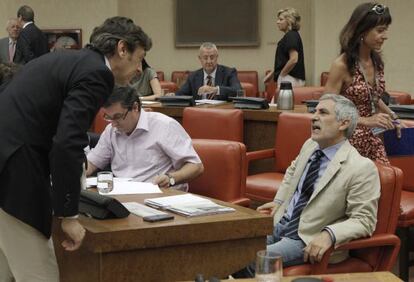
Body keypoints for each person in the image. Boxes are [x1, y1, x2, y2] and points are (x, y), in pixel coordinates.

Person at [0, 16, 151, 281]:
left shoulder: (65, 61)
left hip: (7, 163)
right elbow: (67, 142)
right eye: (139, 58)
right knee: (40, 275)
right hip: (15, 175)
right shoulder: (97, 73)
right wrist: (68, 215)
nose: (140, 69)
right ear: (122, 49)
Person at [234, 94, 380, 277]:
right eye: (314, 111)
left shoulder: (361, 167)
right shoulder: (310, 145)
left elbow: (364, 220)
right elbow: (291, 172)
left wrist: (329, 235)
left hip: (307, 237)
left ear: (343, 123)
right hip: (281, 223)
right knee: (231, 250)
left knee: (250, 262)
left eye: (323, 113)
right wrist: (280, 201)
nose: (313, 117)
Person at [324, 2, 402, 165]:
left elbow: (373, 97)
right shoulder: (342, 65)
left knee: (386, 183)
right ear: (362, 31)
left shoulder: (377, 62)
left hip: (373, 139)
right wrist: (366, 120)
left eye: (386, 29)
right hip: (346, 142)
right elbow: (326, 108)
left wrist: (393, 117)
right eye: (380, 30)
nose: (385, 35)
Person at [86, 86, 204, 191]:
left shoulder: (164, 125)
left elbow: (196, 166)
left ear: (135, 107)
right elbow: (91, 164)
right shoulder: (111, 130)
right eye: (108, 117)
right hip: (122, 194)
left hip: (161, 195)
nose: (113, 124)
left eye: (118, 117)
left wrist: (171, 178)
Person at [175, 42, 242, 100]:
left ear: (217, 57)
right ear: (200, 58)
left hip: (221, 112)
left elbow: (238, 91)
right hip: (199, 113)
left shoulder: (229, 73)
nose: (209, 61)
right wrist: (172, 96)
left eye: (212, 57)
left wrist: (216, 89)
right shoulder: (193, 77)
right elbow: (180, 95)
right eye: (205, 58)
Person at [263, 7, 305, 88]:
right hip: (289, 78)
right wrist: (273, 73)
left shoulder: (291, 35)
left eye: (281, 19)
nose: (277, 22)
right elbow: (284, 61)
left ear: (289, 21)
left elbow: (293, 59)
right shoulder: (290, 35)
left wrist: (281, 76)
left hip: (289, 79)